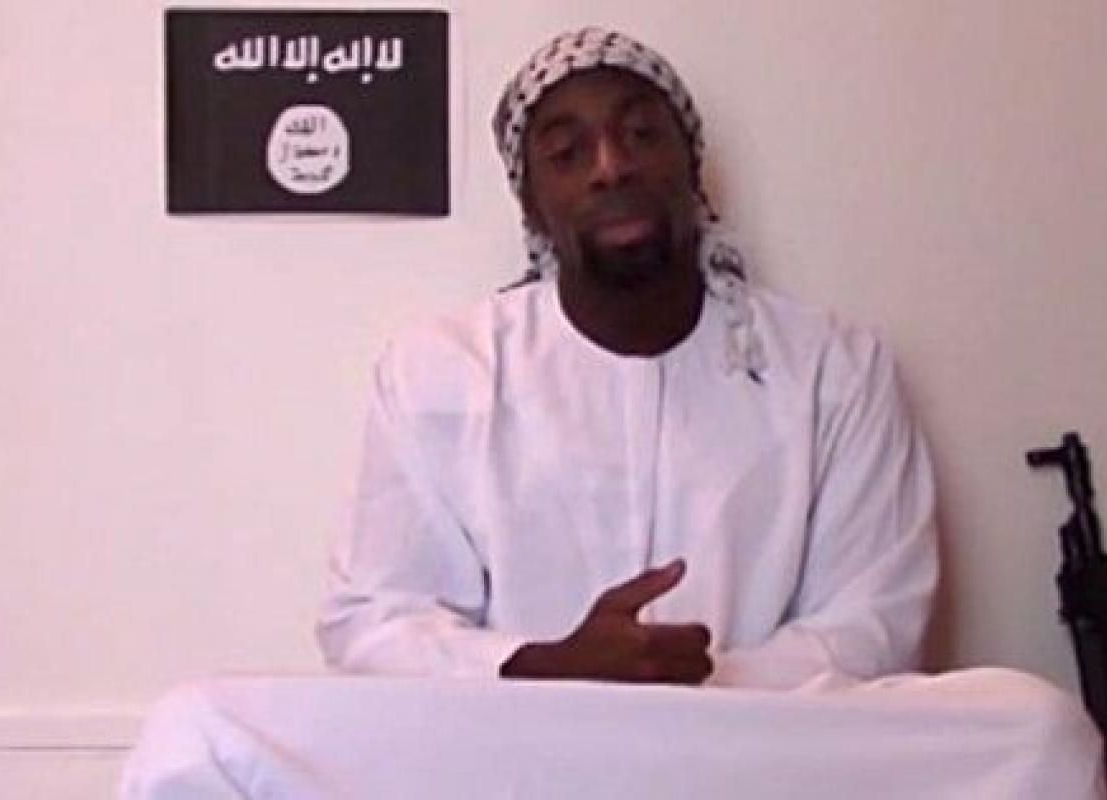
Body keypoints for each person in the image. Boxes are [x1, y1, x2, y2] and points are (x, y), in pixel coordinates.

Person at [315, 26, 938, 689]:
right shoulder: (443, 373)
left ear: (692, 166)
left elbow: (875, 623)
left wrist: (701, 684)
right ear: (531, 205)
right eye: (566, 153)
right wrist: (544, 666)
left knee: (1013, 708)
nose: (611, 168)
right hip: (522, 743)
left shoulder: (833, 371)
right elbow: (372, 622)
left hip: (754, 742)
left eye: (641, 134)